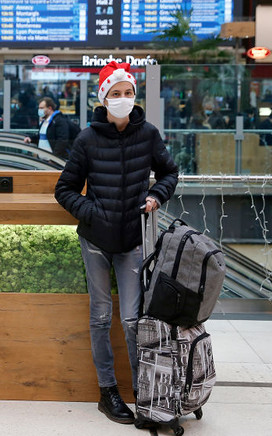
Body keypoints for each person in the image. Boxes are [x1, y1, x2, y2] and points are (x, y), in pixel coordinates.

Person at [54, 61, 179, 425]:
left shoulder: (149, 134)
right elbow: (63, 188)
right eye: (115, 93)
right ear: (103, 98)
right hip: (95, 240)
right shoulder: (87, 138)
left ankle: (145, 392)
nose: (122, 99)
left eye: (128, 93)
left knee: (130, 319)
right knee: (101, 316)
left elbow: (170, 172)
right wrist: (91, 212)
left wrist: (157, 195)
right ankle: (107, 391)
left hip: (132, 241)